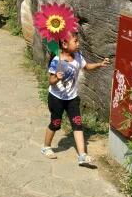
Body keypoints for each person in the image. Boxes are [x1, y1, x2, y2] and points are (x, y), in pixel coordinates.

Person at [41, 31, 109, 166]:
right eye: (75, 41)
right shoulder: (57, 60)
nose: (78, 44)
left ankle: (82, 155)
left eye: (78, 41)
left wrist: (99, 64)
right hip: (56, 98)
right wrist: (57, 78)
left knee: (77, 123)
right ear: (64, 44)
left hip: (72, 98)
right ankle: (46, 147)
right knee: (55, 123)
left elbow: (86, 67)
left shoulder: (78, 56)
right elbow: (51, 81)